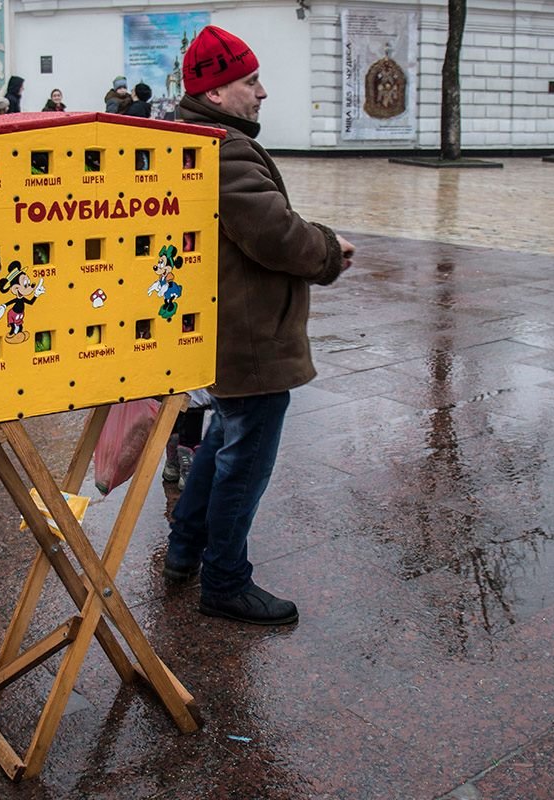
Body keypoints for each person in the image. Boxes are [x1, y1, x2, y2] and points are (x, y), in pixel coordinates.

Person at [165, 25, 356, 625]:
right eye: (250, 82)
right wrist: (328, 250)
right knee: (243, 462)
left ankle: (183, 551)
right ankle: (225, 582)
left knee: (223, 439)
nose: (262, 92)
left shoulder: (197, 138)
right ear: (215, 92)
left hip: (228, 331)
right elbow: (273, 234)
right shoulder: (224, 148)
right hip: (248, 337)